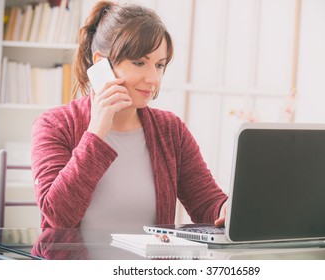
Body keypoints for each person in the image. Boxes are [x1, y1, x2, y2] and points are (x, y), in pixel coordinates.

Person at [31, 1, 227, 230]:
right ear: (101, 64)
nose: (153, 79)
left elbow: (207, 203)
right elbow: (59, 217)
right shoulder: (54, 125)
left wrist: (228, 210)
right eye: (139, 62)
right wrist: (96, 132)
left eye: (160, 65)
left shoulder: (171, 130)